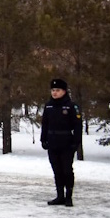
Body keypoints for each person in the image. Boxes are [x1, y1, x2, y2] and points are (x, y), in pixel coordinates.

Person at [40, 78, 81, 207]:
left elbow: (77, 126)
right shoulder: (49, 105)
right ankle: (60, 196)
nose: (55, 93)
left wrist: (76, 143)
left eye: (57, 90)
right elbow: (45, 124)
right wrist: (43, 139)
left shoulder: (71, 106)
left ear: (64, 91)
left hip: (66, 143)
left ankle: (69, 196)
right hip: (53, 142)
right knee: (57, 171)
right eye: (53, 90)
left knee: (67, 171)